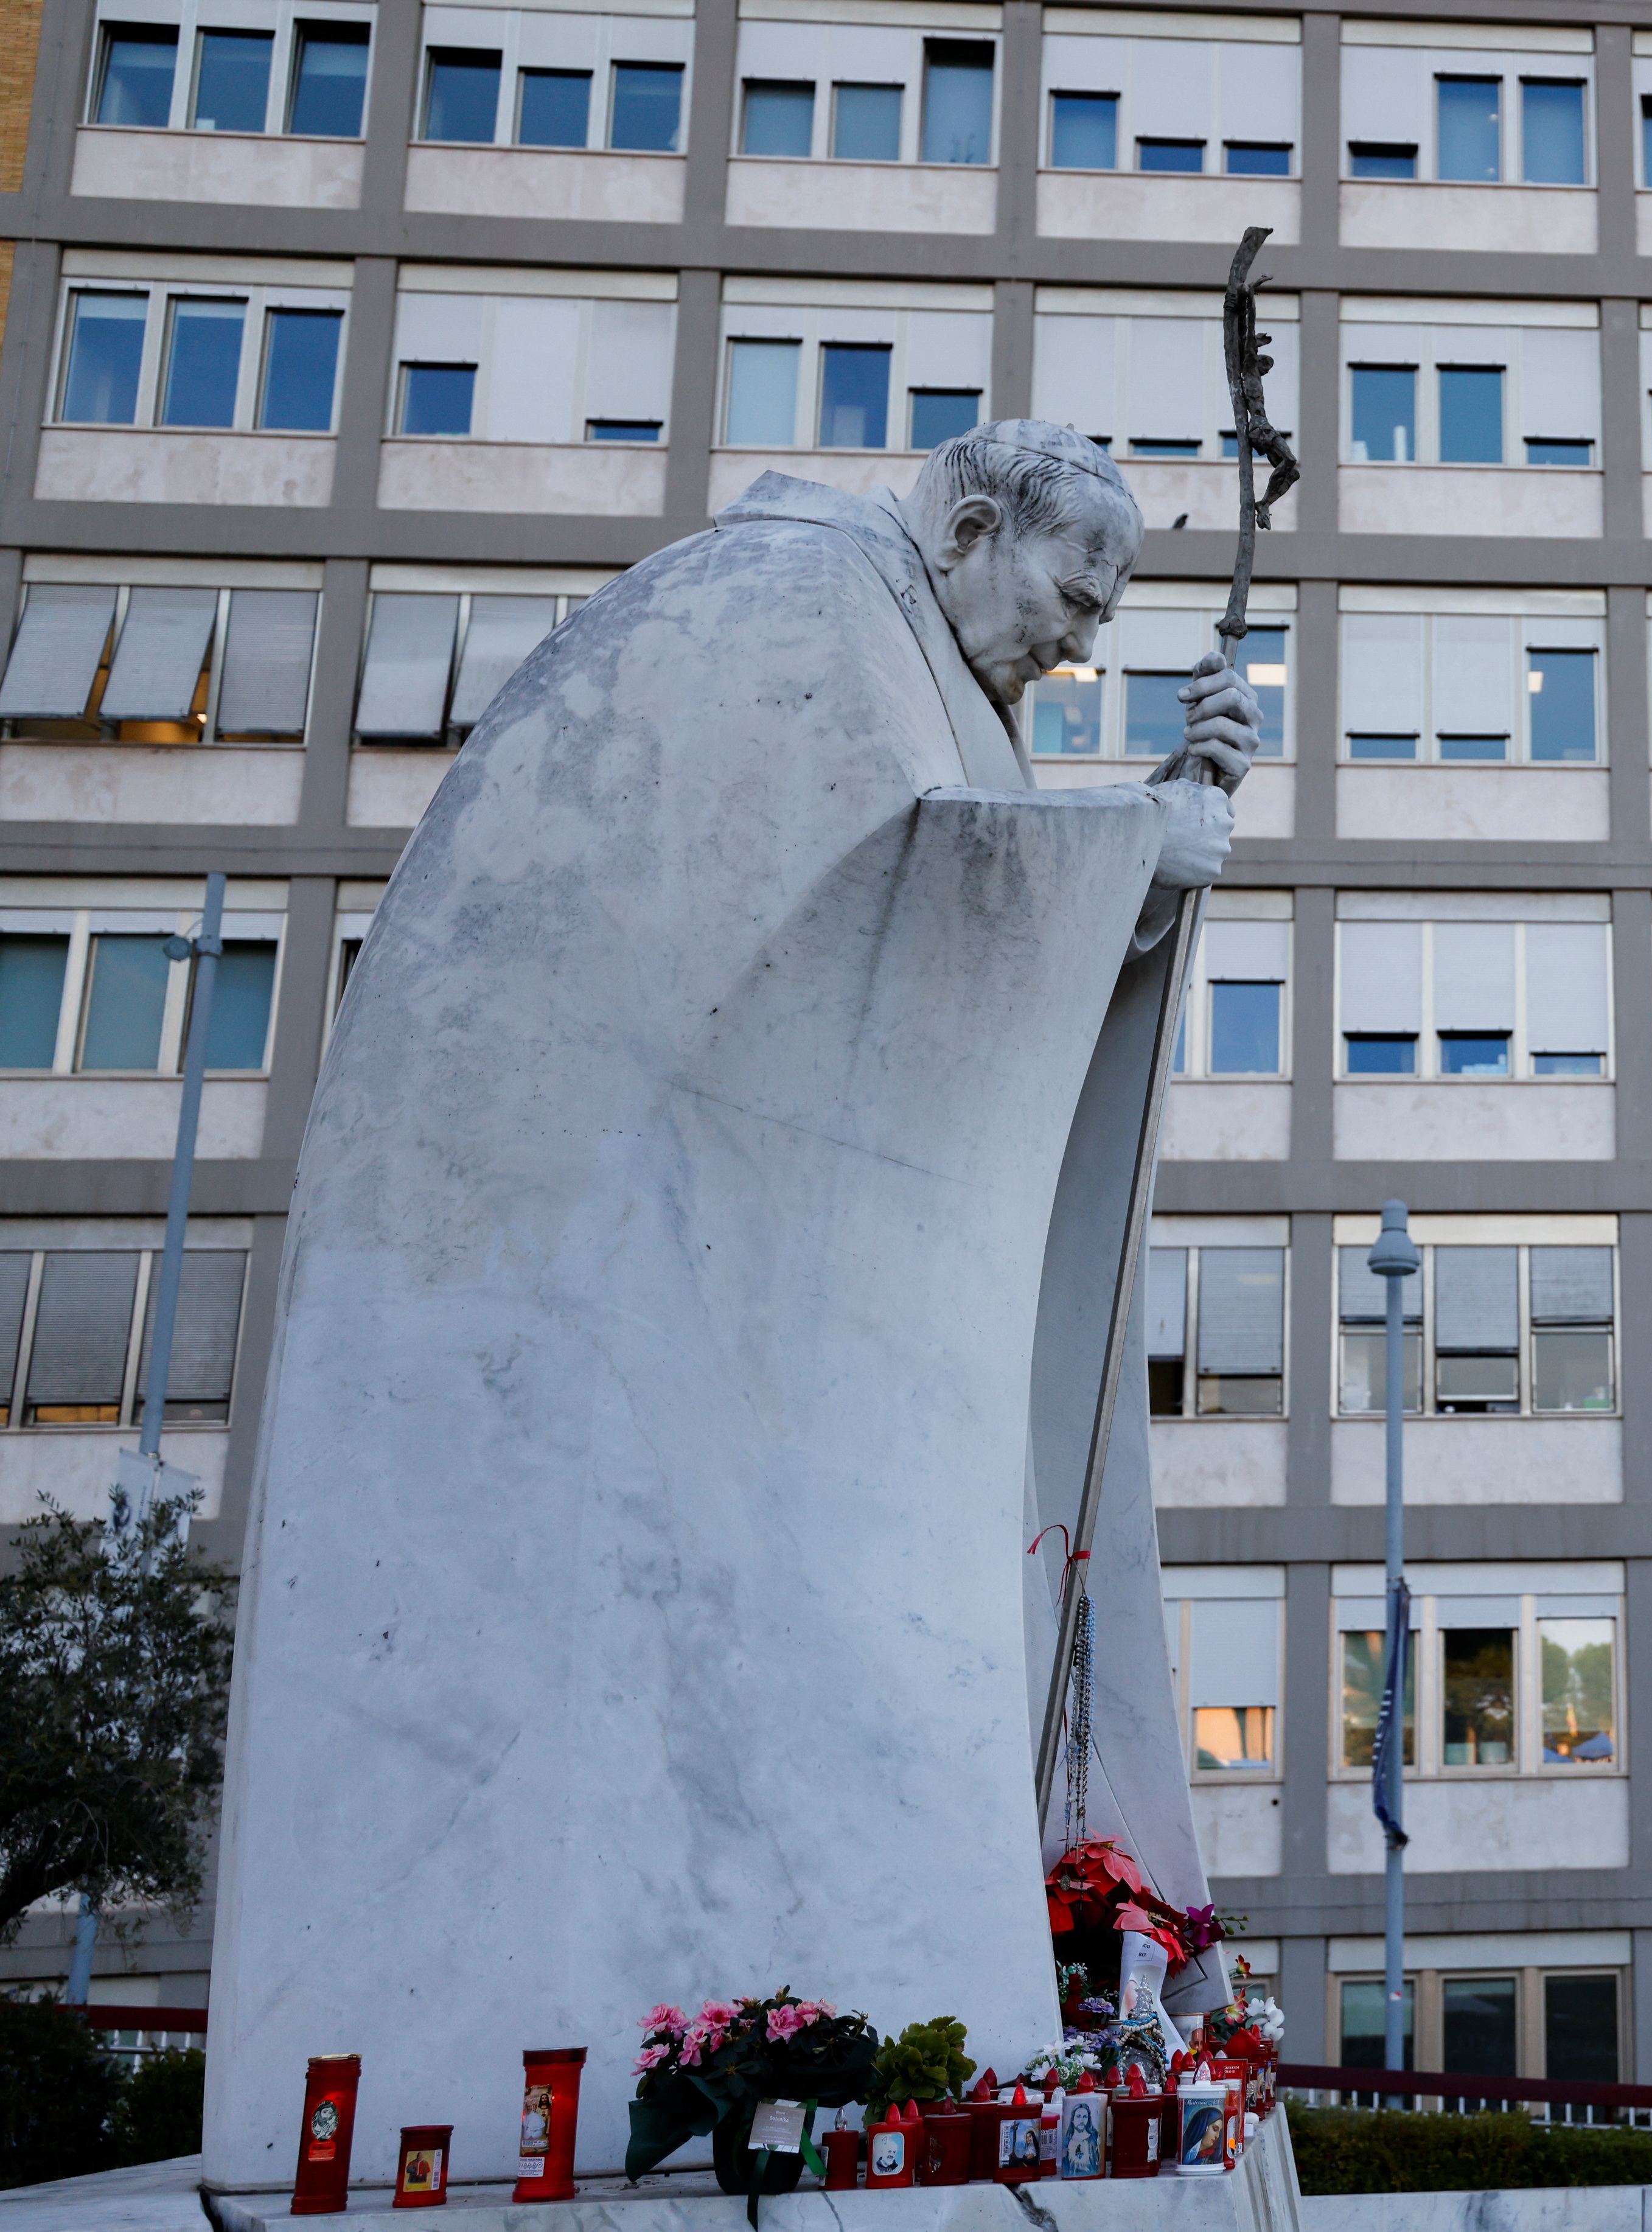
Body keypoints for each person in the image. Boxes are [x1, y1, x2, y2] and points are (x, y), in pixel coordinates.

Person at [208, 424, 1246, 2191]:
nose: (1080, 646)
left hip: (738, 1354)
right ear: (972, 524)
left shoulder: (925, 664)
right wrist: (1142, 842)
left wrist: (1145, 857)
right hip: (597, 1350)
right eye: (1074, 598)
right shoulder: (787, 614)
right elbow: (881, 904)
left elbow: (941, 944)